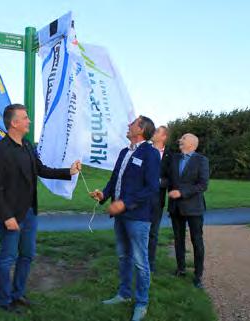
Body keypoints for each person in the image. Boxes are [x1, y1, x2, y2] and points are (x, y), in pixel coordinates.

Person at [0, 104, 81, 313]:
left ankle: (18, 293)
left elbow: (40, 169)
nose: (29, 121)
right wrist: (7, 216)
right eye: (25, 118)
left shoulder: (28, 146)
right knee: (7, 258)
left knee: (27, 255)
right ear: (14, 123)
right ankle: (4, 301)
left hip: (30, 213)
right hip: (11, 216)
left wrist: (69, 171)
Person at [90, 116, 160, 321]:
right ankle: (124, 294)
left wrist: (124, 203)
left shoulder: (151, 153)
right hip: (120, 216)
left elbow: (151, 188)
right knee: (123, 257)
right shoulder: (124, 151)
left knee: (140, 261)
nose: (128, 124)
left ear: (141, 130)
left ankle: (141, 302)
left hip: (138, 216)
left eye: (133, 123)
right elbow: (115, 180)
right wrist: (103, 195)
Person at [168, 133, 209, 289]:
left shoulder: (202, 160)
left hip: (194, 208)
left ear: (192, 144)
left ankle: (198, 276)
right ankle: (181, 269)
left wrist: (182, 192)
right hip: (175, 207)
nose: (180, 140)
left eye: (183, 138)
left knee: (197, 241)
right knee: (178, 239)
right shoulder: (174, 158)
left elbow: (203, 185)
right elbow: (168, 179)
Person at [148, 125, 172, 272]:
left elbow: (172, 178)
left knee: (153, 233)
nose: (154, 132)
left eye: (157, 131)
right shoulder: (145, 151)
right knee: (138, 231)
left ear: (164, 137)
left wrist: (159, 182)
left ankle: (150, 264)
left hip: (157, 200)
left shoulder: (171, 156)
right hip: (140, 200)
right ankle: (135, 260)